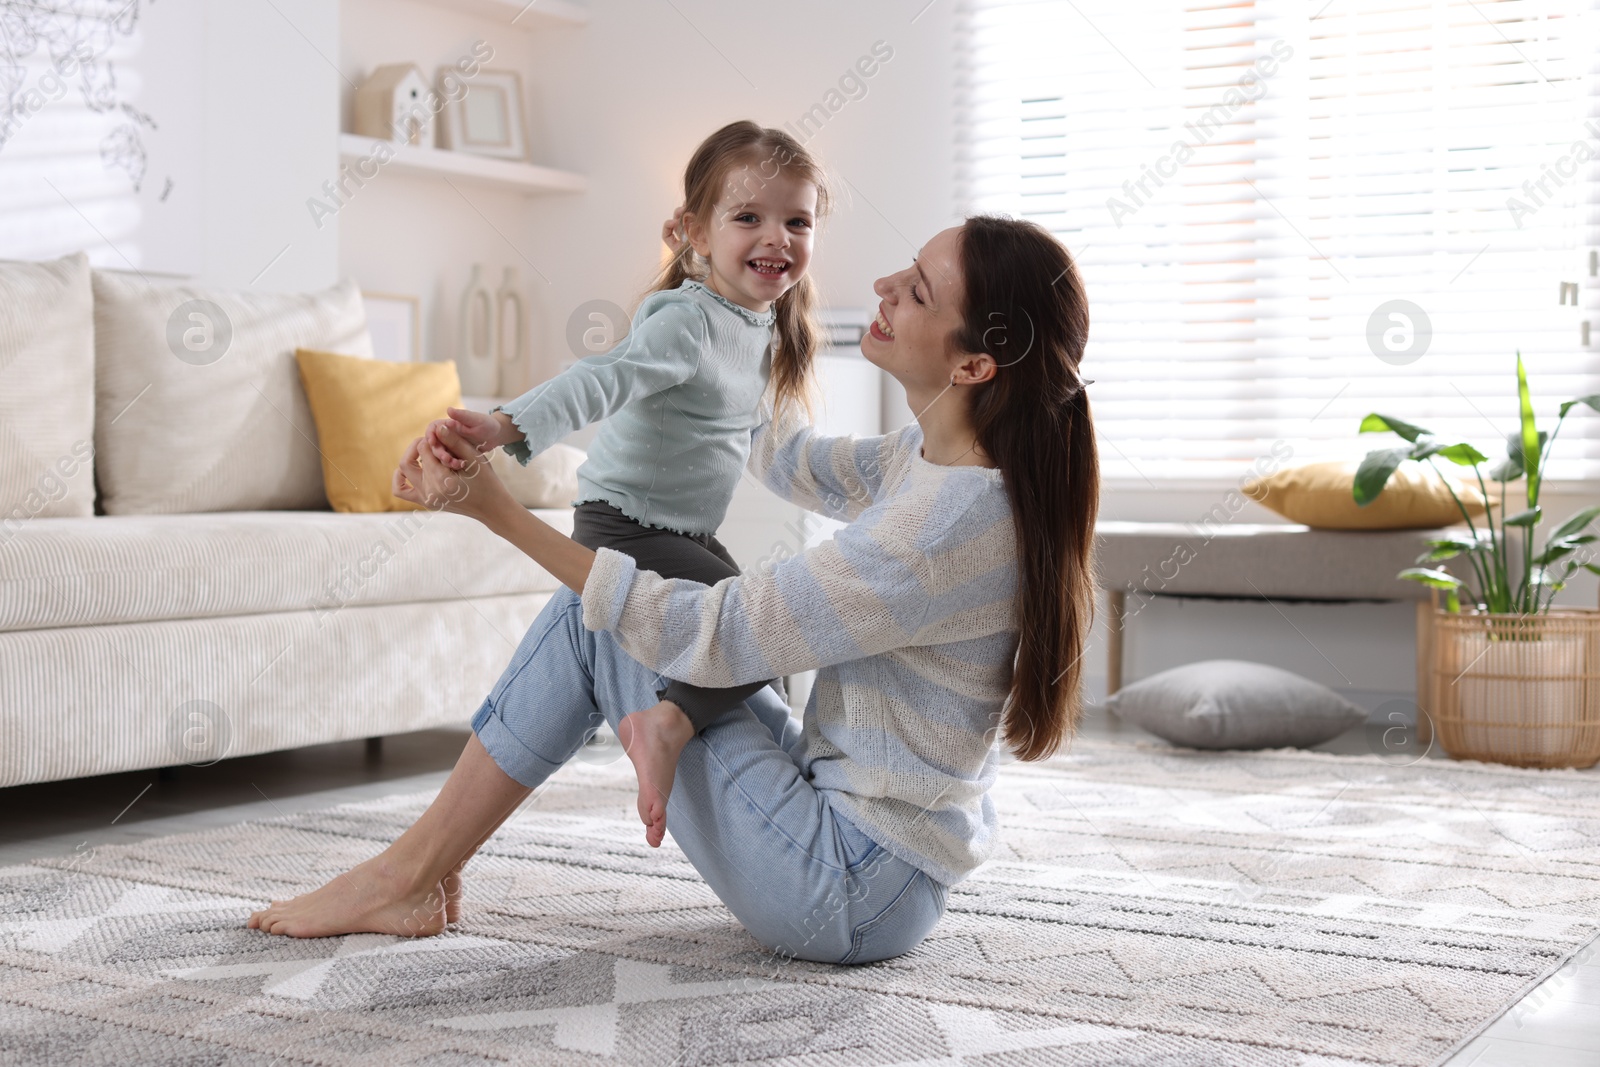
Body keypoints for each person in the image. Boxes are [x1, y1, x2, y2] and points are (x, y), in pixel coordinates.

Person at [247, 215, 1099, 966]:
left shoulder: (945, 526)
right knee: (612, 613)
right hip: (868, 858)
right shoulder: (933, 463)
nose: (882, 286)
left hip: (849, 885)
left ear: (977, 365)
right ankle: (417, 873)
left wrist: (498, 512)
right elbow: (789, 457)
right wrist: (737, 308)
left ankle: (406, 877)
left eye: (915, 291)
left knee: (603, 621)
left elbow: (719, 631)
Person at [425, 120, 828, 845]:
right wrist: (507, 425)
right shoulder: (685, 321)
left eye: (796, 221)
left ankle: (700, 728)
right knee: (764, 628)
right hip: (625, 525)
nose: (777, 238)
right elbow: (601, 378)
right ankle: (663, 724)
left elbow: (775, 443)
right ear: (692, 232)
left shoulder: (763, 327)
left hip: (684, 532)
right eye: (748, 218)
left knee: (769, 630)